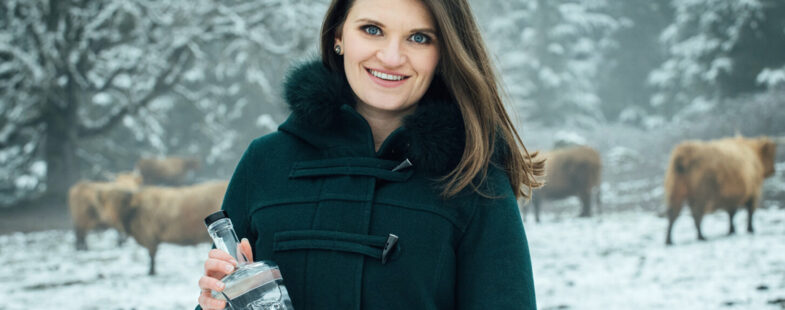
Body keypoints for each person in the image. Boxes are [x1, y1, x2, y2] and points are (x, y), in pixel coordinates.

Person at [197, 0, 543, 308]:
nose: (391, 57)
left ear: (444, 53)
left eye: (419, 37)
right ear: (338, 36)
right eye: (372, 29)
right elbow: (227, 297)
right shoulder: (264, 162)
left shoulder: (474, 177)